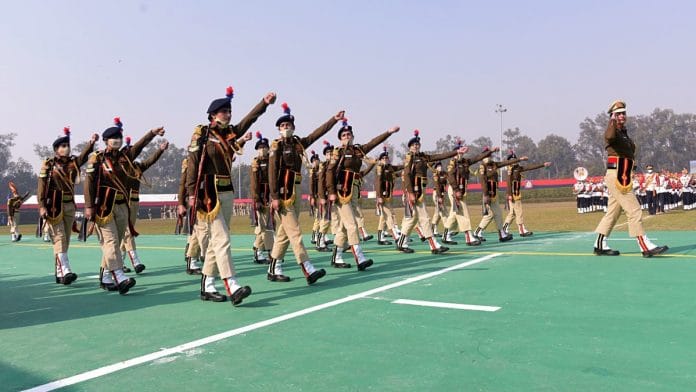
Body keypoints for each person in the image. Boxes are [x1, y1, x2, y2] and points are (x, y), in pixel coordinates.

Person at [186, 86, 274, 305]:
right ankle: (232, 284)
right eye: (223, 111)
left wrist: (263, 103)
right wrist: (190, 193)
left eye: (229, 111)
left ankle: (207, 285)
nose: (228, 114)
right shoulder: (203, 134)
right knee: (223, 239)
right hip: (209, 194)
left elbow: (248, 120)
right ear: (213, 115)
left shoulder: (230, 133)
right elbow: (193, 165)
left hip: (227, 191)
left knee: (218, 241)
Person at [266, 103, 344, 283]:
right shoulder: (276, 146)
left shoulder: (298, 144)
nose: (286, 128)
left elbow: (318, 133)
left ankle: (273, 268)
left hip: (296, 190)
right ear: (279, 129)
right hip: (283, 194)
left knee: (284, 233)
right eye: (283, 126)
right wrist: (274, 196)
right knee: (294, 232)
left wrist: (333, 120)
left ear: (293, 128)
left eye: (288, 126)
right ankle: (307, 268)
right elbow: (272, 172)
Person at [85, 118, 164, 294]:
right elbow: (88, 183)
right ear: (106, 141)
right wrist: (89, 206)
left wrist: (152, 133)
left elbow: (139, 146)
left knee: (116, 241)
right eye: (113, 138)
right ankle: (119, 276)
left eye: (119, 137)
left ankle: (105, 276)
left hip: (122, 204)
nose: (117, 140)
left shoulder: (125, 157)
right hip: (104, 207)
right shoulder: (97, 159)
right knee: (111, 241)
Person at [593, 100, 668, 258]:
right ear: (613, 115)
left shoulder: (623, 133)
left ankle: (599, 244)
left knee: (613, 212)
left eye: (623, 113)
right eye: (618, 113)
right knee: (634, 210)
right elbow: (608, 136)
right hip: (617, 175)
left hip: (623, 174)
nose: (622, 116)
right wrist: (612, 120)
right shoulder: (612, 131)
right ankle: (645, 245)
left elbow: (630, 150)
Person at [326, 119, 399, 269]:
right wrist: (331, 192)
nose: (347, 137)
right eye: (344, 135)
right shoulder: (338, 152)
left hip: (353, 191)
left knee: (345, 228)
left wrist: (388, 132)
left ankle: (336, 257)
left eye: (349, 134)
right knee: (352, 225)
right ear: (340, 139)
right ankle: (359, 258)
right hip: (341, 192)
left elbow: (373, 143)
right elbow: (329, 172)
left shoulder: (358, 151)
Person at [37, 127, 98, 285]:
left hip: (70, 204)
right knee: (59, 238)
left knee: (66, 241)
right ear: (56, 150)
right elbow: (41, 187)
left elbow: (84, 156)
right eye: (62, 146)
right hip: (54, 206)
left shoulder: (73, 164)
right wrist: (42, 206)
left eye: (67, 145)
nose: (66, 148)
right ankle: (66, 269)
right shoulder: (48, 165)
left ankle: (60, 274)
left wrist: (91, 143)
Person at [397, 130, 466, 254]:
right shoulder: (409, 158)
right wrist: (410, 193)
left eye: (417, 144)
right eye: (413, 145)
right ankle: (433, 245)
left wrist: (456, 152)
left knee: (411, 219)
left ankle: (401, 242)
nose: (416, 146)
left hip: (420, 190)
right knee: (424, 218)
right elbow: (407, 175)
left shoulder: (423, 157)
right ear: (410, 147)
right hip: (414, 191)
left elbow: (439, 156)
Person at [120, 135, 168, 273]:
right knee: (128, 233)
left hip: (134, 202)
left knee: (126, 233)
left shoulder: (137, 167)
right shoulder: (121, 168)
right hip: (123, 202)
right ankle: (136, 261)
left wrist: (160, 150)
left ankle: (119, 263)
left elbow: (150, 161)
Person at [442, 144, 497, 245]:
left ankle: (446, 234)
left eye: (462, 152)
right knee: (463, 212)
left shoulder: (466, 162)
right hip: (454, 191)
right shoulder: (453, 162)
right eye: (458, 152)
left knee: (454, 213)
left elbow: (477, 158)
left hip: (462, 191)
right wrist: (456, 189)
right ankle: (468, 237)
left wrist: (491, 151)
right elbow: (450, 176)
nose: (460, 154)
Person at [473, 148, 527, 242]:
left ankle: (498, 234)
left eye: (489, 155)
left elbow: (505, 163)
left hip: (494, 193)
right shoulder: (482, 167)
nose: (488, 157)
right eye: (486, 156)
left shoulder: (494, 164)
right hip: (488, 194)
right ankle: (480, 232)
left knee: (495, 214)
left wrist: (520, 159)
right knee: (492, 214)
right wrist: (486, 195)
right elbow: (483, 181)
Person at [502, 150, 552, 237]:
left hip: (514, 194)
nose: (514, 161)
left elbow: (530, 167)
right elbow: (509, 183)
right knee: (519, 212)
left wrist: (543, 164)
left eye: (515, 159)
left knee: (512, 213)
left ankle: (504, 229)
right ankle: (522, 230)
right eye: (512, 159)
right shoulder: (509, 170)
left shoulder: (518, 168)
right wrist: (510, 195)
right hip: (513, 194)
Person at [250, 131, 273, 264]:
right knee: (264, 226)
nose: (263, 150)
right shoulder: (256, 163)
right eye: (260, 148)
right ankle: (266, 252)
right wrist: (256, 199)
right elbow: (254, 184)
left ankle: (258, 251)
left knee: (265, 226)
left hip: (270, 195)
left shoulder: (271, 161)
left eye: (264, 147)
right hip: (261, 197)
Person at [178, 157, 203, 275]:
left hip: (208, 198)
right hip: (194, 200)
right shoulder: (190, 161)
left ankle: (196, 257)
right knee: (197, 232)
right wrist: (181, 203)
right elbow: (182, 184)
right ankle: (192, 260)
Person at [375, 146, 403, 245]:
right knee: (388, 215)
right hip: (382, 196)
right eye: (383, 158)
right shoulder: (380, 168)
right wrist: (379, 197)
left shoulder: (389, 168)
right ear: (380, 160)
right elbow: (378, 182)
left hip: (388, 195)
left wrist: (406, 166)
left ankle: (380, 237)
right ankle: (395, 236)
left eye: (386, 158)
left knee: (384, 217)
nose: (385, 160)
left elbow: (397, 169)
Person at [315, 140, 335, 251]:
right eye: (328, 154)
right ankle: (320, 242)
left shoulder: (336, 164)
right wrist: (322, 197)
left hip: (335, 196)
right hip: (326, 196)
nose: (330, 155)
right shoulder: (323, 165)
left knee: (336, 220)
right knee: (326, 220)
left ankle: (341, 242)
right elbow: (320, 182)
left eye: (332, 153)